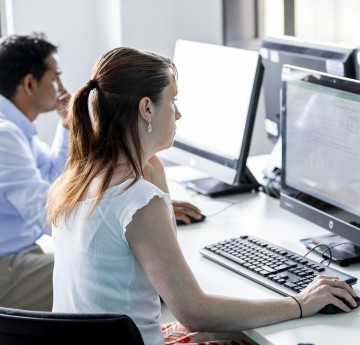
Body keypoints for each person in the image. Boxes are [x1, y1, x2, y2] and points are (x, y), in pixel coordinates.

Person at [47, 46, 358, 345]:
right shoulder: (137, 198)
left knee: (230, 331)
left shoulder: (74, 180)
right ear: (146, 108)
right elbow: (195, 313)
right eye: (173, 101)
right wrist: (300, 302)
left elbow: (165, 272)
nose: (179, 114)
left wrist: (157, 178)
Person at [0, 33, 71, 311]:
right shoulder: (4, 135)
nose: (61, 87)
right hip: (7, 267)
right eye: (55, 77)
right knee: (105, 269)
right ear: (29, 83)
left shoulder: (16, 129)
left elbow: (54, 180)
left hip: (20, 255)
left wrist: (68, 126)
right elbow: (47, 214)